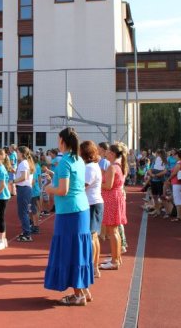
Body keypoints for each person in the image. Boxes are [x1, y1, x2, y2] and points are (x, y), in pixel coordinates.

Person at [44, 128, 93, 306]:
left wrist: (49, 188)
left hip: (70, 212)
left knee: (70, 251)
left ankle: (79, 294)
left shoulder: (64, 161)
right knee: (79, 250)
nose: (58, 143)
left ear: (63, 141)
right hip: (81, 209)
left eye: (58, 140)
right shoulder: (78, 159)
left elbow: (63, 190)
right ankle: (84, 289)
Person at [100, 143, 128, 270]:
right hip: (116, 198)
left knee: (113, 231)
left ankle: (115, 260)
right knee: (114, 231)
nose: (105, 153)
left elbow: (108, 186)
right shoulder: (118, 166)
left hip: (112, 199)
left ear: (111, 153)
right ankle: (116, 258)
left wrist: (96, 183)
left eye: (107, 152)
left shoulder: (113, 167)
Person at [80, 141, 104, 279]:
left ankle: (93, 266)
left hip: (92, 204)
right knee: (94, 236)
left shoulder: (89, 167)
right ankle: (94, 266)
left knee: (91, 236)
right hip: (95, 202)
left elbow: (83, 185)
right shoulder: (93, 166)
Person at [13, 146, 34, 242]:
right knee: (22, 212)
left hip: (24, 189)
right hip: (24, 188)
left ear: (21, 153)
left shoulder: (23, 163)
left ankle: (27, 234)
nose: (16, 154)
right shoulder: (25, 163)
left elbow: (24, 177)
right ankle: (26, 231)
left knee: (23, 212)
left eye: (17, 152)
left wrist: (13, 181)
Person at [169, 149, 181, 221]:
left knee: (177, 199)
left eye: (175, 155)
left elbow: (174, 173)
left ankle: (179, 216)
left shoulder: (179, 163)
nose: (174, 156)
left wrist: (169, 178)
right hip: (179, 182)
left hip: (176, 182)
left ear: (178, 155)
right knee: (180, 198)